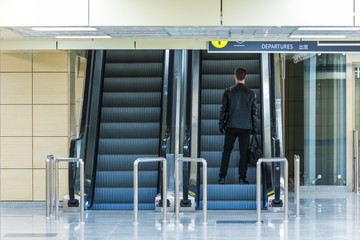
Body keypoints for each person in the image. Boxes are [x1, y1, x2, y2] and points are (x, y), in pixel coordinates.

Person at [218, 67, 258, 184]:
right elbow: (254, 113)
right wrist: (255, 128)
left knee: (226, 151)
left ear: (234, 76)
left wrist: (221, 124)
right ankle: (242, 178)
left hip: (231, 126)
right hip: (246, 127)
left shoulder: (228, 91)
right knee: (243, 153)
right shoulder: (251, 93)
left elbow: (223, 110)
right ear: (245, 77)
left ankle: (222, 177)